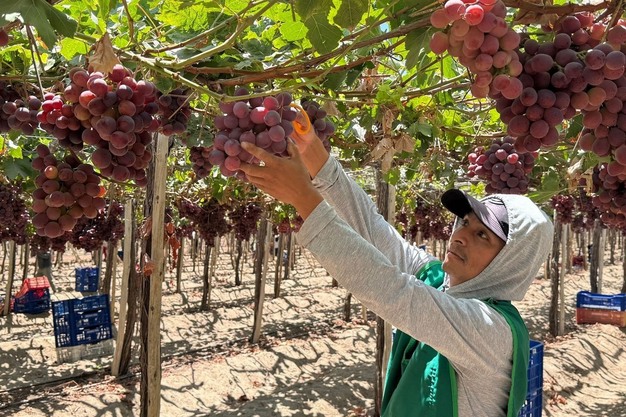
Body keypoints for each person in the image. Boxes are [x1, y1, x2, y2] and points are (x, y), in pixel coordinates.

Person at [238, 125, 553, 417]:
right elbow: (375, 231)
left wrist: (304, 197)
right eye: (466, 222)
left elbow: (393, 292)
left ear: (511, 262)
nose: (460, 236)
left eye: (482, 235)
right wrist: (314, 153)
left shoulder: (491, 330)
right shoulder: (439, 282)